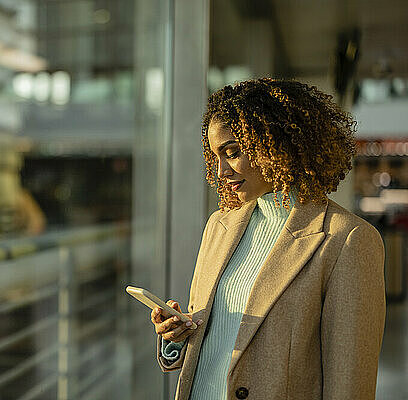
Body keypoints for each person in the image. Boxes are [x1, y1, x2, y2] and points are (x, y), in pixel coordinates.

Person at [150, 78, 385, 400]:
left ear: (276, 143)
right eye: (215, 155)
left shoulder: (347, 239)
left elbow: (350, 381)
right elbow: (216, 337)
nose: (220, 171)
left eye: (232, 152)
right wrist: (176, 335)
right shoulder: (220, 226)